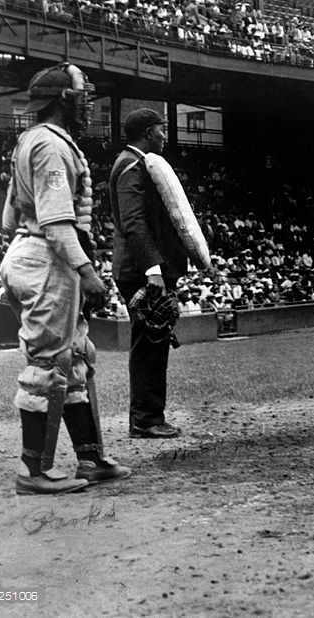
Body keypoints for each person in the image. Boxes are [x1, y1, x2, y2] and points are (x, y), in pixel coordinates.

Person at [0, 63, 131, 494]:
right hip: (48, 257)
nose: (87, 101)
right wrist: (87, 271)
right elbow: (57, 224)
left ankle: (90, 458)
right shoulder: (52, 147)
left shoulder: (30, 140)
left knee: (74, 357)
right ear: (64, 100)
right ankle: (32, 471)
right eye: (81, 94)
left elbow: (8, 218)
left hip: (31, 251)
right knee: (49, 364)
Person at [109, 108, 189, 438]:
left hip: (146, 268)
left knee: (154, 341)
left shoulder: (139, 163)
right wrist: (153, 269)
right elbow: (134, 222)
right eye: (161, 129)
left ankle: (150, 416)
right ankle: (145, 418)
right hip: (141, 270)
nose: (164, 135)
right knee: (149, 343)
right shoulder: (131, 166)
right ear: (146, 132)